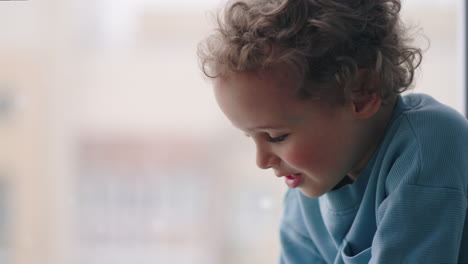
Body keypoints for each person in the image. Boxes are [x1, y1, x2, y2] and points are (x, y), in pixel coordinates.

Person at [197, 0, 468, 263]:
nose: (262, 161)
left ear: (361, 94)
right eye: (250, 137)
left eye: (276, 136)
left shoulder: (430, 143)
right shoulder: (307, 189)